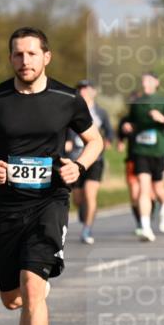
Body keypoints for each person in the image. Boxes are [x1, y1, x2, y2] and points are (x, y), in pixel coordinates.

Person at [0, 27, 102, 325]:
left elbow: (95, 140)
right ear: (10, 58)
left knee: (32, 288)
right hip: (7, 208)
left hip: (50, 201)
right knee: (12, 298)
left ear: (47, 56)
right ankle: (34, 282)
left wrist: (79, 165)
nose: (24, 61)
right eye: (17, 55)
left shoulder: (66, 98)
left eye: (31, 54)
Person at [121, 72, 164, 241]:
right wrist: (127, 126)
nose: (145, 83)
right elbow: (130, 121)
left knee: (159, 187)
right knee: (144, 188)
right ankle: (145, 227)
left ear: (156, 83)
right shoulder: (137, 104)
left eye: (148, 80)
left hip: (158, 150)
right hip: (140, 151)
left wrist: (163, 120)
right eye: (143, 80)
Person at [66, 80, 113, 245]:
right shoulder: (70, 110)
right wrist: (66, 141)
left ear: (94, 92)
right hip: (74, 159)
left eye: (87, 89)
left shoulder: (100, 112)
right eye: (80, 89)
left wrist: (109, 141)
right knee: (78, 199)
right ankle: (83, 211)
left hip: (95, 159)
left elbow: (109, 131)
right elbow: (63, 128)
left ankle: (87, 229)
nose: (83, 92)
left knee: (90, 193)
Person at [116, 91, 142, 234]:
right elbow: (120, 138)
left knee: (147, 194)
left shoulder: (145, 119)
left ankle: (147, 216)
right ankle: (140, 223)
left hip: (147, 158)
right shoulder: (125, 120)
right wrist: (120, 143)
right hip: (132, 159)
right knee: (134, 194)